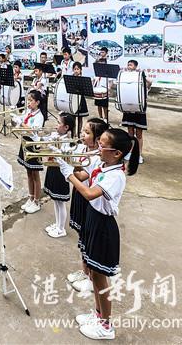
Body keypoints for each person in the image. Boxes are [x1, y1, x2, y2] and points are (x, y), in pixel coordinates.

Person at [57, 128, 140, 341]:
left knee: (101, 278)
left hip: (104, 226)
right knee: (93, 274)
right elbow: (82, 176)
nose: (98, 148)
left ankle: (106, 325)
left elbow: (88, 192)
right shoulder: (102, 164)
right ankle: (98, 314)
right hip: (92, 218)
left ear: (117, 153)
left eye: (103, 146)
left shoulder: (116, 175)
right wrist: (62, 157)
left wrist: (67, 174)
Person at [67, 118, 109, 294]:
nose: (82, 135)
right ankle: (85, 271)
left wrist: (67, 166)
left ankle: (90, 276)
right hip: (79, 195)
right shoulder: (84, 150)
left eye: (86, 133)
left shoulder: (97, 158)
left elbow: (82, 176)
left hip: (87, 198)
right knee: (82, 237)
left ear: (98, 139)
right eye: (83, 131)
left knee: (87, 238)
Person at [42, 113, 76, 238]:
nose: (56, 126)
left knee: (60, 202)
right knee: (55, 201)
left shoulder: (69, 140)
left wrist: (53, 147)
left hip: (61, 172)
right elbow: (43, 141)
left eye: (58, 123)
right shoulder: (57, 135)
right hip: (53, 168)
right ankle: (57, 224)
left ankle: (61, 228)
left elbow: (64, 155)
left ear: (66, 127)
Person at [13, 90, 44, 214]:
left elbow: (33, 130)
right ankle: (31, 197)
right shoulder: (28, 112)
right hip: (25, 142)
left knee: (35, 174)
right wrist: (16, 118)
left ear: (37, 102)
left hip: (33, 145)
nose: (28, 103)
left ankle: (37, 201)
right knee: (28, 172)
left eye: (31, 101)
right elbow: (21, 120)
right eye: (28, 100)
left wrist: (22, 123)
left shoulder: (39, 116)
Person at [121, 59, 150, 164]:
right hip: (129, 109)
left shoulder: (140, 77)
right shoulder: (125, 78)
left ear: (136, 67)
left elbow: (150, 83)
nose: (129, 66)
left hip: (139, 110)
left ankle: (139, 154)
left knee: (139, 134)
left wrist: (142, 77)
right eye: (128, 64)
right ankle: (131, 151)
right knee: (130, 133)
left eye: (131, 65)